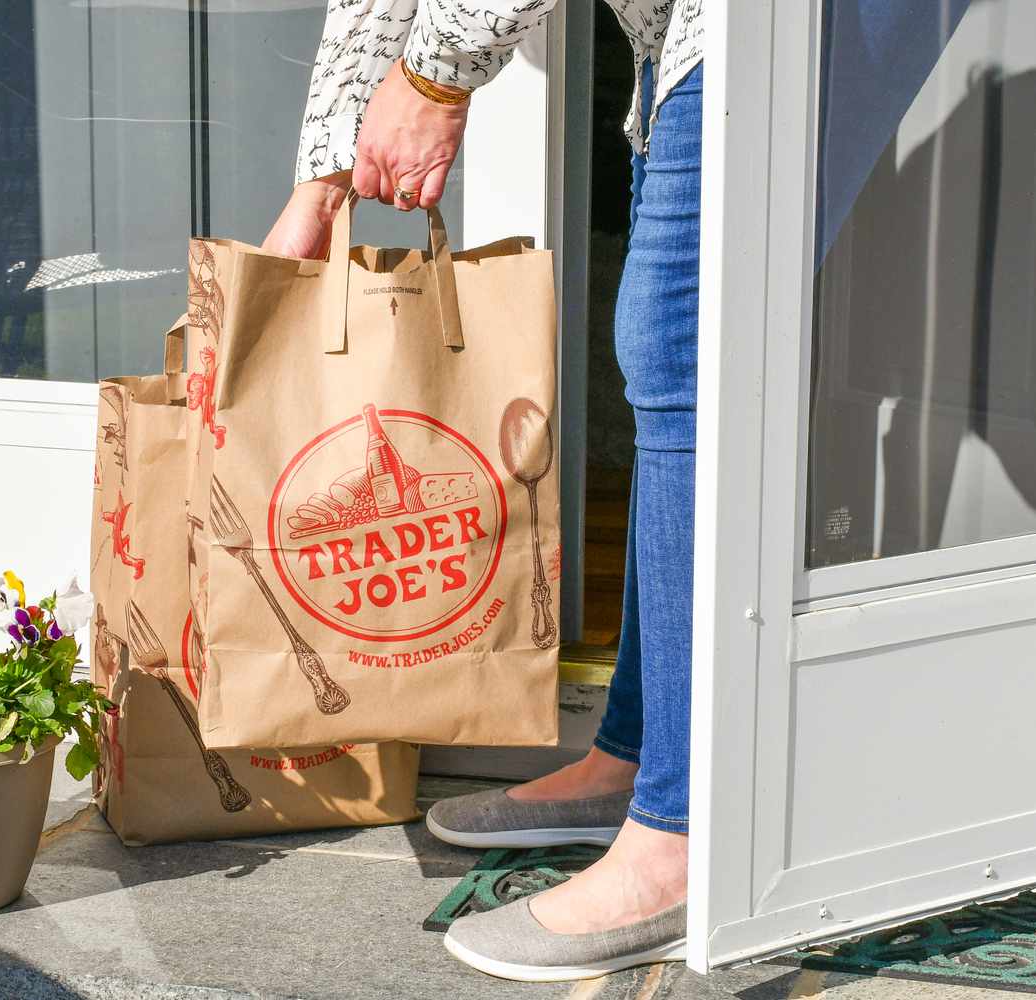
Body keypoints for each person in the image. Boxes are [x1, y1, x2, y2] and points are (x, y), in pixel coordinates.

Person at [263, 0, 704, 982]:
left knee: (674, 353)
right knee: (668, 367)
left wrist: (433, 79)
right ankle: (631, 761)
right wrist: (325, 180)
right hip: (671, 38)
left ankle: (677, 835)